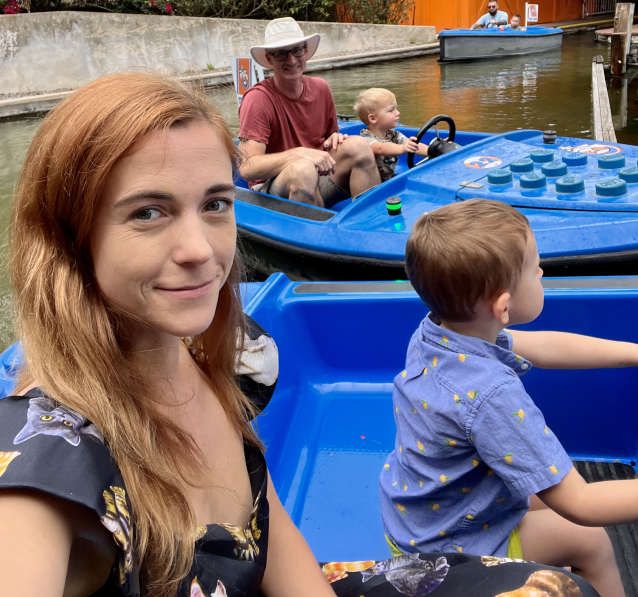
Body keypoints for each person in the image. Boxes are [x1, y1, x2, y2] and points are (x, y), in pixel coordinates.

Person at [0, 74, 598, 597]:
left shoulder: (235, 355)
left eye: (214, 204)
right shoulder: (52, 461)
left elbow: (265, 524)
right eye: (147, 213)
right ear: (69, 240)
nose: (201, 250)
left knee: (558, 588)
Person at [379, 199, 638, 597]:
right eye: (534, 267)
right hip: (448, 552)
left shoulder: (443, 331)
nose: (541, 270)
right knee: (590, 539)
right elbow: (580, 502)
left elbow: (548, 347)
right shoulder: (490, 394)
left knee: (541, 496)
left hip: (420, 519)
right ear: (503, 306)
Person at [239, 17, 380, 207]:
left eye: (297, 50)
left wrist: (335, 139)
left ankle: (370, 222)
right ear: (269, 59)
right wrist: (299, 154)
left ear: (305, 50)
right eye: (281, 53)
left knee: (359, 145)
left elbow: (331, 137)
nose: (292, 59)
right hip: (272, 190)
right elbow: (248, 168)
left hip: (317, 173)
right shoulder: (258, 99)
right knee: (303, 169)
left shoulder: (321, 88)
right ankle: (319, 234)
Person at [354, 88, 428, 181]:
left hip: (387, 179)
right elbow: (381, 148)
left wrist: (433, 150)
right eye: (391, 110)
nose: (398, 112)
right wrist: (403, 148)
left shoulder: (393, 133)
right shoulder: (366, 139)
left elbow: (413, 145)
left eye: (396, 108)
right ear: (373, 118)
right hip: (371, 183)